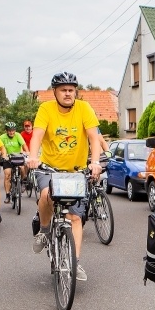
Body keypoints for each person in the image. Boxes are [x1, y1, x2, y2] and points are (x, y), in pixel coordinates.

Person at [26, 72, 104, 281]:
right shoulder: (46, 109)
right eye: (63, 90)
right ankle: (44, 230)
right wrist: (33, 157)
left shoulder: (84, 108)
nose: (68, 94)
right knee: (45, 195)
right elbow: (37, 135)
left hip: (76, 172)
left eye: (71, 90)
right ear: (55, 92)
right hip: (49, 168)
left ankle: (74, 262)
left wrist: (95, 162)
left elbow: (94, 138)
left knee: (76, 217)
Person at [0, 121, 30, 203]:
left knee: (22, 168)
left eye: (13, 130)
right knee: (7, 175)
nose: (11, 132)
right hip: (7, 158)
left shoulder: (18, 135)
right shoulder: (2, 137)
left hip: (18, 157)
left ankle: (23, 182)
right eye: (9, 130)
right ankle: (8, 195)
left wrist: (27, 152)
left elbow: (24, 145)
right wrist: (2, 154)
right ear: (6, 131)